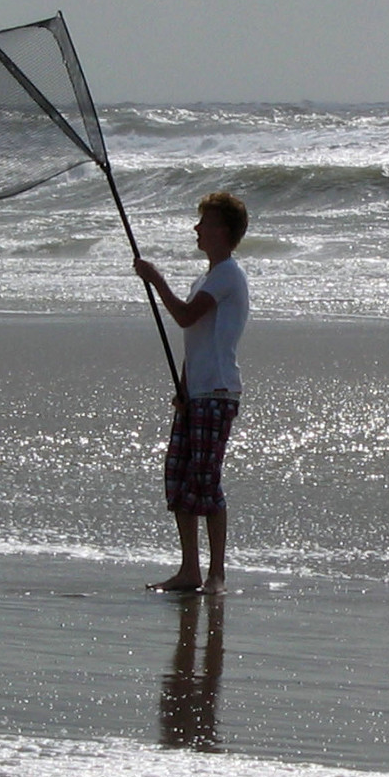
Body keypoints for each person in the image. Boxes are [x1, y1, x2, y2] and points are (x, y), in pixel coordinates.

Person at [134, 192, 250, 596]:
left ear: (222, 231)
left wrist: (155, 279)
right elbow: (194, 340)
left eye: (204, 222)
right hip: (196, 392)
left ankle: (217, 573)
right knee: (179, 477)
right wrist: (182, 390)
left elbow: (184, 315)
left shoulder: (227, 275)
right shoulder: (206, 277)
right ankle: (189, 569)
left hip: (218, 391)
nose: (196, 229)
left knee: (206, 480)